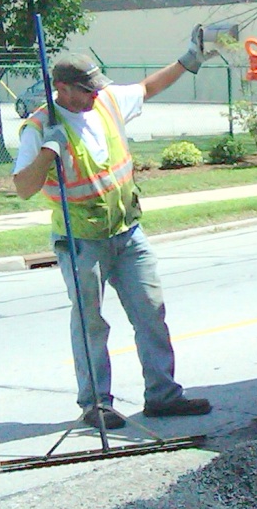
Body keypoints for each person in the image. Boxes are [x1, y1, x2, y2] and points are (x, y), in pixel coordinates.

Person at [12, 28, 217, 430]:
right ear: (61, 88)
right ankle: (95, 404)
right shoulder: (39, 128)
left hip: (127, 232)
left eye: (96, 87)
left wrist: (189, 59)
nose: (95, 95)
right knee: (90, 322)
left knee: (151, 313)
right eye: (86, 90)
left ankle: (163, 396)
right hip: (81, 242)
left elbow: (146, 87)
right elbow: (22, 188)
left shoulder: (105, 104)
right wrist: (49, 151)